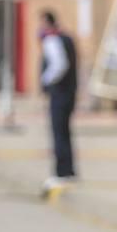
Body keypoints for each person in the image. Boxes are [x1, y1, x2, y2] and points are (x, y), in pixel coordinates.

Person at [40, 10, 78, 185]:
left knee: (59, 132)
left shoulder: (52, 40)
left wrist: (45, 81)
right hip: (69, 91)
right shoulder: (66, 38)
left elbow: (59, 65)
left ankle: (62, 171)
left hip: (60, 92)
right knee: (65, 131)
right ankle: (68, 169)